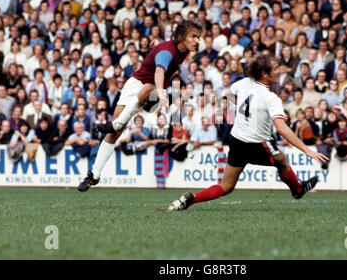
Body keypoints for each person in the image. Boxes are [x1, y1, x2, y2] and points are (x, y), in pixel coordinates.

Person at [168, 53, 328, 211]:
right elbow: (281, 128)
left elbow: (228, 93)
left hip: (237, 140)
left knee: (226, 186)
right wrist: (306, 150)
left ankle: (192, 199)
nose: (279, 71)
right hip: (256, 143)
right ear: (264, 74)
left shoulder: (244, 83)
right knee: (282, 161)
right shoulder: (271, 98)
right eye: (275, 69)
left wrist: (246, 109)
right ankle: (298, 190)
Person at [78, 20, 202, 192]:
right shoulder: (168, 51)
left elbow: (161, 66)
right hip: (138, 85)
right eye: (193, 36)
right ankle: (94, 175)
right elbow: (159, 71)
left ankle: (116, 123)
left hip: (150, 93)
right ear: (181, 37)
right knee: (115, 134)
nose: (197, 41)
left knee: (146, 90)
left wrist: (158, 90)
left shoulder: (179, 50)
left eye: (198, 37)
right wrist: (161, 91)